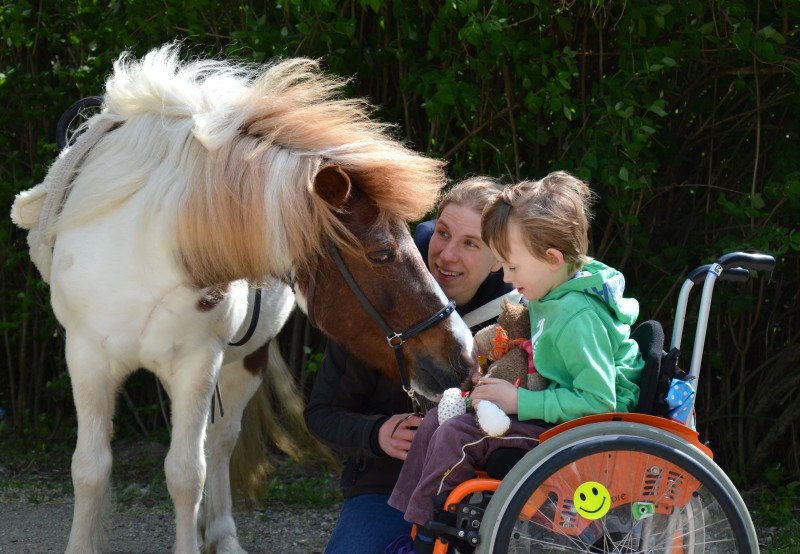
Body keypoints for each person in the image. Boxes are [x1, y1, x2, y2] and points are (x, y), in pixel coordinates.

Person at [386, 171, 645, 554]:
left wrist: (518, 402)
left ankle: (429, 540)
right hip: (558, 414)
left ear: (552, 258)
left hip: (589, 435)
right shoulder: (552, 288)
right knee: (438, 418)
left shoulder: (577, 316)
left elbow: (600, 403)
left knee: (458, 435)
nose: (506, 277)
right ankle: (413, 525)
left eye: (513, 267)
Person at [304, 177, 521, 554]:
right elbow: (321, 413)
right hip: (387, 487)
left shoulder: (518, 318)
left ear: (498, 260)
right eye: (442, 233)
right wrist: (377, 433)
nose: (446, 255)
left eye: (470, 243)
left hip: (482, 490)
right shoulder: (378, 298)